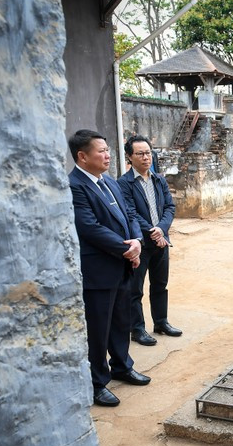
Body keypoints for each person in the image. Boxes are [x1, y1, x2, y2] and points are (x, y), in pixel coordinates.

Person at [67, 129, 151, 407]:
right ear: (82, 156)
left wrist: (137, 240)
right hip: (99, 269)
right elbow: (89, 227)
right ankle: (96, 382)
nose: (107, 155)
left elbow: (129, 214)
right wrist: (127, 248)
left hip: (122, 263)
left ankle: (122, 366)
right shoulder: (75, 186)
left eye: (107, 150)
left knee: (120, 320)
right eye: (101, 151)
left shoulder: (109, 182)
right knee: (98, 327)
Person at [118, 135, 182, 347]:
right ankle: (137, 329)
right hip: (141, 244)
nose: (146, 157)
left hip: (161, 242)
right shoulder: (124, 183)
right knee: (135, 289)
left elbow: (170, 207)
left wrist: (161, 229)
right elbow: (130, 213)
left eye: (148, 153)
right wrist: (152, 232)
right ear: (129, 157)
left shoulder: (159, 179)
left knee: (160, 284)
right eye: (140, 154)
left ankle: (161, 322)